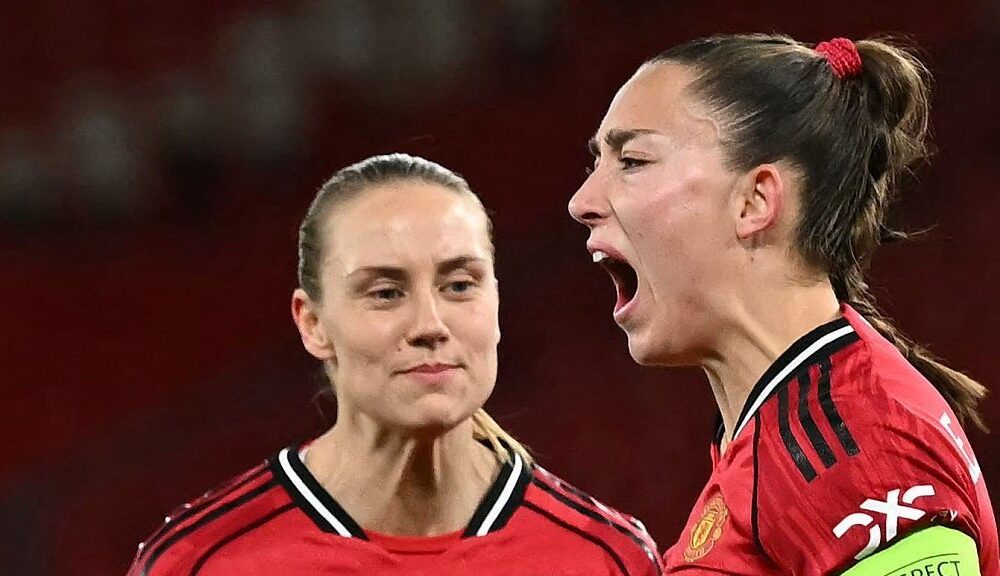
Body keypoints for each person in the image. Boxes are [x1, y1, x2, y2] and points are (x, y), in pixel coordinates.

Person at [568, 34, 997, 575]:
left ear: (755, 200)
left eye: (631, 160)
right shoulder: (782, 434)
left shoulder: (853, 447)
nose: (581, 202)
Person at [127, 153, 662, 576]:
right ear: (312, 323)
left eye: (459, 285)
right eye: (385, 293)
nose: (430, 324)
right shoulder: (201, 562)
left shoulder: (607, 558)